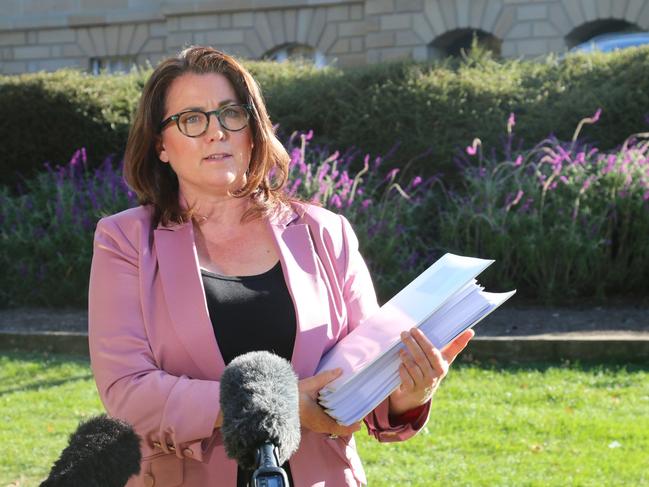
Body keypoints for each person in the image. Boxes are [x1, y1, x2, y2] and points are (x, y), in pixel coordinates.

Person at [88, 45, 474, 487]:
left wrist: (408, 393)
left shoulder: (325, 232)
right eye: (192, 119)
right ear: (161, 145)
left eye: (230, 114)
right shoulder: (125, 241)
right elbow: (127, 392)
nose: (217, 132)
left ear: (252, 130)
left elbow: (364, 377)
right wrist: (273, 403)